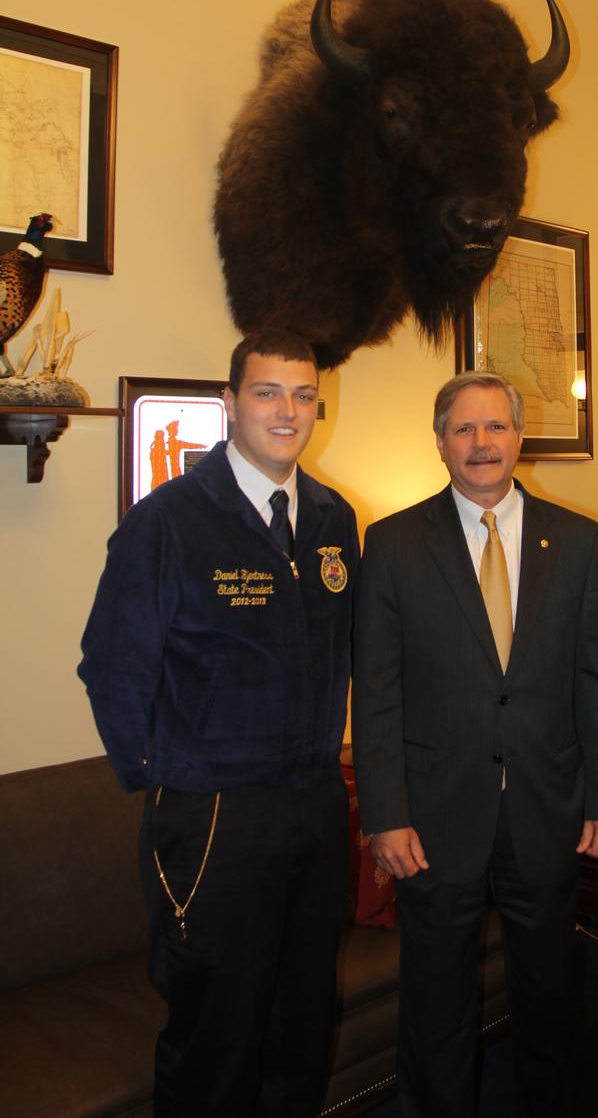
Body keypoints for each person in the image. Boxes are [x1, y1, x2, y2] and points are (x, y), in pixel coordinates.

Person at [78, 330, 359, 1118]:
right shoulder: (169, 521)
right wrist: (171, 778)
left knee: (303, 1027)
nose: (287, 411)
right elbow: (111, 667)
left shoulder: (334, 518)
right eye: (268, 393)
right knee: (217, 1041)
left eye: (303, 395)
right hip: (215, 818)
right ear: (231, 404)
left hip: (314, 805)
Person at [352, 370, 598, 1118]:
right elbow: (375, 693)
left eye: (496, 426)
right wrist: (384, 815)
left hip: (547, 808)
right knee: (435, 1008)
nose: (482, 443)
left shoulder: (578, 540)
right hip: (433, 818)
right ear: (440, 442)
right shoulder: (393, 544)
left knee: (550, 999)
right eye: (464, 429)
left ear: (519, 437)